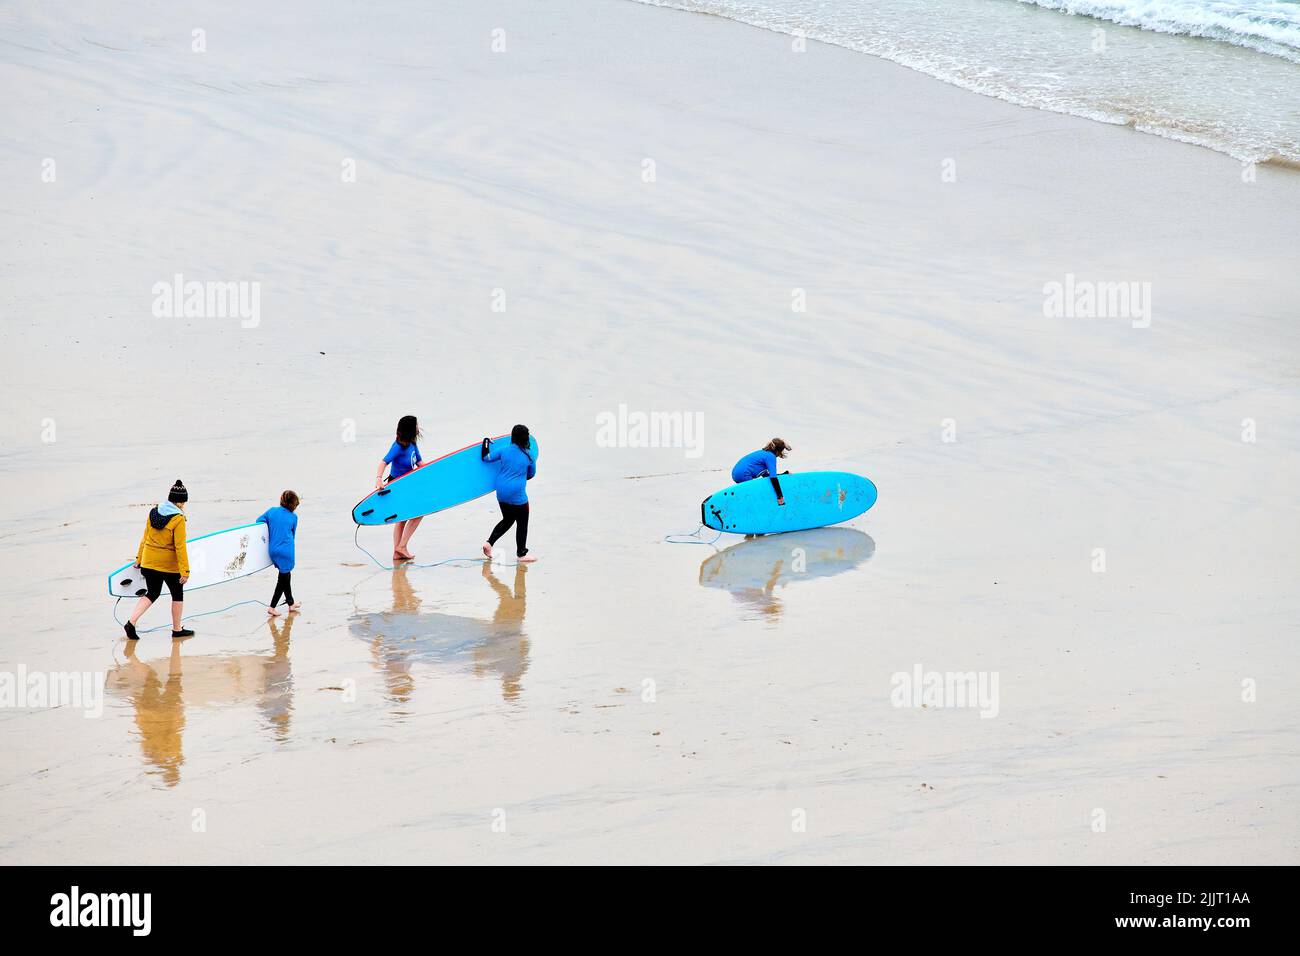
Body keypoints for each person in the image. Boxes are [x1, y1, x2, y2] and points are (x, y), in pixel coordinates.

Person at [124, 479, 194, 640]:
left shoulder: (153, 512)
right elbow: (180, 547)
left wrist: (139, 558)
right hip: (168, 566)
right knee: (177, 595)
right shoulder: (178, 519)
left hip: (148, 562)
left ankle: (131, 622)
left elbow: (145, 537)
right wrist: (185, 571)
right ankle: (177, 630)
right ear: (181, 501)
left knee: (152, 593)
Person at [481, 424, 537, 563]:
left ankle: (489, 543)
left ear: (512, 436)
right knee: (522, 522)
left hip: (501, 492)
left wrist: (486, 442)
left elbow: (486, 458)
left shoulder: (504, 450)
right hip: (517, 494)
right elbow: (531, 474)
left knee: (508, 519)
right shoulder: (529, 456)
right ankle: (521, 554)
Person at [374, 415, 424, 562]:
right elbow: (383, 462)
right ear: (410, 429)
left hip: (408, 485)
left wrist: (435, 475)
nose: (418, 427)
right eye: (416, 425)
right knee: (418, 513)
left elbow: (420, 464)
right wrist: (378, 479)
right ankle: (401, 546)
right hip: (396, 485)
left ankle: (397, 552)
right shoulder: (398, 446)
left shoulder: (413, 445)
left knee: (402, 519)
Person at [257, 490, 300, 616]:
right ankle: (272, 607)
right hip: (286, 551)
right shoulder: (293, 517)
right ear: (293, 505)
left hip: (273, 550)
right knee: (282, 580)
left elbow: (259, 522)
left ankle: (291, 604)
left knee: (286, 577)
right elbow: (293, 535)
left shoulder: (271, 511)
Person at [731, 438, 792, 505]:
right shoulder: (771, 456)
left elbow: (767, 475)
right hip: (744, 474)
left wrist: (783, 474)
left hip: (735, 473)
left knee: (749, 493)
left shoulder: (763, 453)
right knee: (755, 496)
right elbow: (773, 478)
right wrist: (780, 496)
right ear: (778, 451)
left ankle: (739, 500)